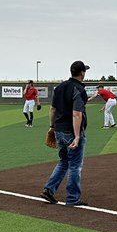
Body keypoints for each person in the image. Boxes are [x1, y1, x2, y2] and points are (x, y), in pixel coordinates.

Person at [41, 60, 90, 206]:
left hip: (59, 131)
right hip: (71, 132)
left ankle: (49, 190)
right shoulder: (79, 90)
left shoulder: (60, 87)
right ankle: (73, 198)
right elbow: (76, 114)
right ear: (81, 73)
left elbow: (52, 110)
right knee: (75, 165)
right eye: (84, 71)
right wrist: (77, 136)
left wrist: (52, 127)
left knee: (64, 162)